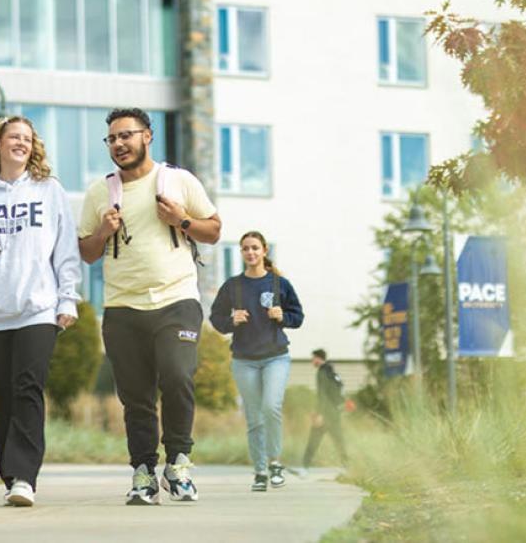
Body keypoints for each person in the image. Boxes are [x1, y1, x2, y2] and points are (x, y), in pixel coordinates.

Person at [77, 108, 222, 505]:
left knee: (177, 376)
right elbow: (85, 253)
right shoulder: (99, 193)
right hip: (122, 307)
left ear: (147, 136)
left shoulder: (178, 180)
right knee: (136, 396)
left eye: (127, 135)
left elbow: (214, 230)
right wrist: (104, 231)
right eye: (112, 139)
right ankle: (143, 472)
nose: (119, 144)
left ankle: (178, 462)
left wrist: (182, 220)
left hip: (177, 300)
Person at [0, 115, 81, 508]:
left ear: (32, 147)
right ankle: (11, 477)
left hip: (38, 307)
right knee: (3, 396)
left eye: (27, 138)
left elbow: (65, 251)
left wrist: (67, 298)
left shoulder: (48, 190)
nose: (20, 143)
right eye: (13, 138)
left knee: (28, 389)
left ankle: (25, 477)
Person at [210, 231, 305, 493]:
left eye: (254, 248)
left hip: (276, 357)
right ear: (241, 253)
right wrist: (232, 320)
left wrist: (282, 315)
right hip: (244, 360)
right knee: (254, 418)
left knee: (271, 407)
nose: (250, 253)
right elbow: (215, 318)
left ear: (264, 251)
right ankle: (260, 471)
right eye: (245, 249)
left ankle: (275, 462)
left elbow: (298, 317)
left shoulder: (279, 284)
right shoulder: (233, 286)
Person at [302, 348, 348, 470]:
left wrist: (319, 414)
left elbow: (322, 394)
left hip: (326, 413)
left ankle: (304, 466)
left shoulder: (322, 372)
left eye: (313, 358)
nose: (312, 361)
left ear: (318, 358)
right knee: (339, 440)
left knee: (314, 439)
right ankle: (347, 465)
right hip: (335, 412)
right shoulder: (331, 371)